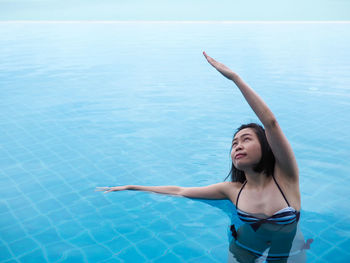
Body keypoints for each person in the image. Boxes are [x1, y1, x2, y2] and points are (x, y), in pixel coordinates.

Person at [96, 52, 311, 262]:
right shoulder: (233, 191)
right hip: (244, 248)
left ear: (265, 146)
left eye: (246, 139)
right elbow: (180, 191)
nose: (238, 146)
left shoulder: (286, 178)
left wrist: (235, 78)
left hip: (286, 251)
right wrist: (134, 187)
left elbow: (271, 123)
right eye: (234, 143)